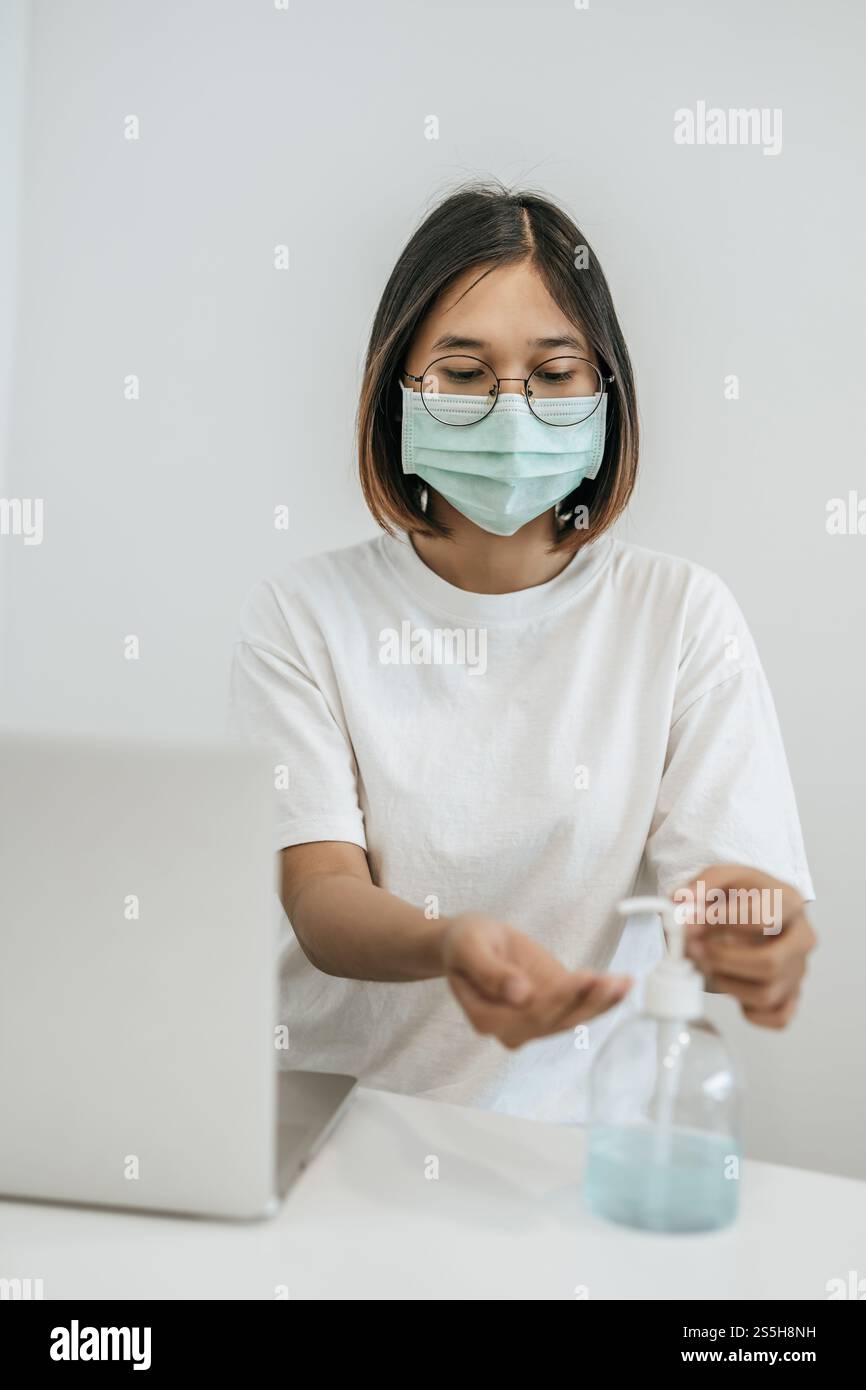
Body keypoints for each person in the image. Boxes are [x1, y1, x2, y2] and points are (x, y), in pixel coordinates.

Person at [229, 182, 815, 1123]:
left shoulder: (681, 617)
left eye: (553, 374)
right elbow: (322, 895)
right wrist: (447, 943)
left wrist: (757, 924)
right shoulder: (305, 613)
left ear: (605, 393)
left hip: (568, 1152)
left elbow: (726, 881)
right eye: (463, 374)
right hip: (327, 1132)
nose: (513, 412)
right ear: (399, 391)